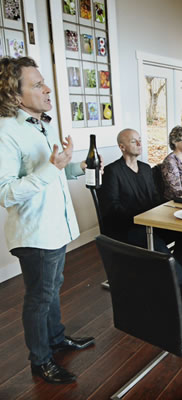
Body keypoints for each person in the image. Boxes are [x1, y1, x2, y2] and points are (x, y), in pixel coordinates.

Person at [0, 57, 95, 384]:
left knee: (52, 289)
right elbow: (5, 193)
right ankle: (40, 361)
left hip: (56, 228)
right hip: (34, 234)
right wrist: (51, 167)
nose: (47, 88)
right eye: (37, 83)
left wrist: (74, 166)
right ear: (15, 93)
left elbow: (55, 170)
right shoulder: (5, 131)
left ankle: (56, 339)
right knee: (39, 297)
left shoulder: (42, 124)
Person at [97, 128, 182, 286]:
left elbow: (155, 198)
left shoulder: (145, 168)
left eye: (140, 139)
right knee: (155, 242)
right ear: (122, 147)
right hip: (128, 227)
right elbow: (112, 208)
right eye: (134, 141)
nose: (140, 143)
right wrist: (140, 216)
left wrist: (166, 214)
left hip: (150, 222)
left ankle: (177, 266)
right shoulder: (112, 171)